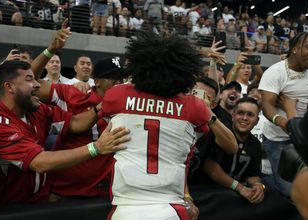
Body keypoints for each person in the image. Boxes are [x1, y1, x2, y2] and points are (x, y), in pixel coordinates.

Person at [102, 31, 236, 220]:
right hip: (171, 207)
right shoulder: (194, 106)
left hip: (125, 206)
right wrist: (208, 112)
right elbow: (231, 147)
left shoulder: (117, 95)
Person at [0, 60, 130, 204]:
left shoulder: (36, 110)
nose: (37, 84)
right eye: (29, 80)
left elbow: (75, 123)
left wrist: (100, 107)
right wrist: (95, 148)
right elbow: (40, 163)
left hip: (41, 201)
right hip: (10, 208)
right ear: (9, 87)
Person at [37, 56, 125, 198]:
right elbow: (31, 83)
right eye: (112, 77)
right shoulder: (76, 94)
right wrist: (49, 51)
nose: (118, 82)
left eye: (121, 78)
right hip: (65, 190)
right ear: (97, 81)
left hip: (105, 191)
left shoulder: (127, 103)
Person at [258, 32, 308, 197]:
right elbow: (267, 107)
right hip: (277, 140)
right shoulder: (276, 72)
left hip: (301, 138)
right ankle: (266, 180)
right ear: (295, 49)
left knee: (307, 186)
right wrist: (287, 124)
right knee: (288, 189)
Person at [203, 97, 264, 204]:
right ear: (233, 116)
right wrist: (239, 188)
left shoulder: (256, 144)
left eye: (250, 114)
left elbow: (253, 174)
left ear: (257, 120)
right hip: (210, 191)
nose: (244, 118)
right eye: (240, 113)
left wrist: (257, 186)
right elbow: (209, 167)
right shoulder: (220, 133)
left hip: (237, 194)